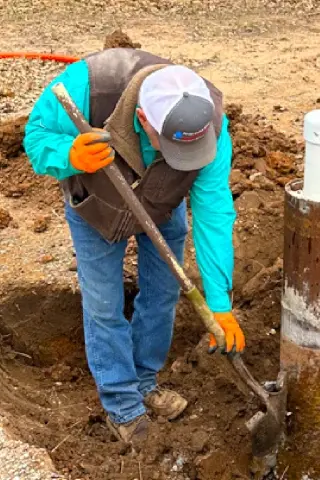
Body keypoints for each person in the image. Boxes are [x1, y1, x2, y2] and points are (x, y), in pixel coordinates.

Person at [23, 48, 246, 448]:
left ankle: (145, 381)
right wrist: (68, 154)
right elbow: (37, 138)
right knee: (104, 305)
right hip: (99, 204)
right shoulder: (90, 85)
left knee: (162, 293)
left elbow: (213, 212)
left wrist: (219, 302)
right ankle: (121, 402)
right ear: (144, 119)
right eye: (173, 147)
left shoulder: (210, 120)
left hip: (162, 201)